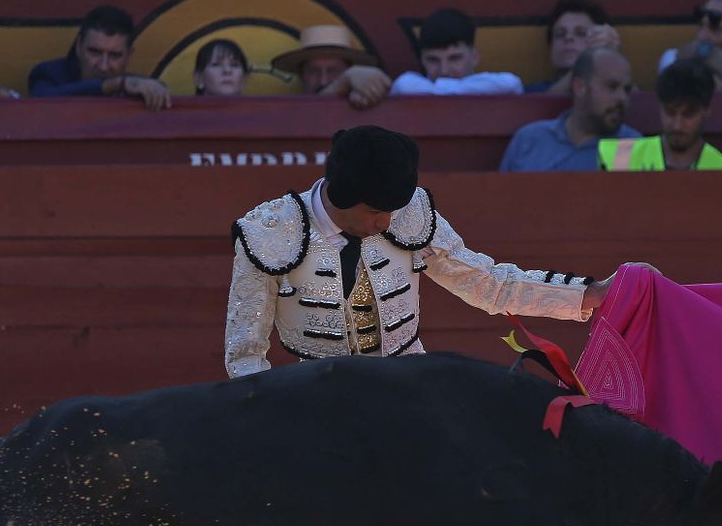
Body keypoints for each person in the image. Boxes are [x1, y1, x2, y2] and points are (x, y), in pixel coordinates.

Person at [224, 125, 626, 378]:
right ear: (343, 198)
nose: (386, 223)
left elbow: (489, 285)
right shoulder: (267, 235)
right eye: (376, 211)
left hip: (410, 387)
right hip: (314, 397)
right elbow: (245, 354)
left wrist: (588, 294)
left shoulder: (409, 214)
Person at [498, 47, 639, 172]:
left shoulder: (632, 146)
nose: (622, 98)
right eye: (611, 87)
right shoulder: (530, 140)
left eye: (626, 90)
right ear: (579, 87)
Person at [598, 59, 722, 171]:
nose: (677, 125)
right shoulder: (619, 158)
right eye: (670, 112)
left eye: (688, 115)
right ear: (659, 107)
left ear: (707, 110)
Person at [26, 5, 171, 111]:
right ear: (78, 47)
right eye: (95, 52)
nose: (103, 66)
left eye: (115, 55)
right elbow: (39, 104)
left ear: (129, 55)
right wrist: (111, 85)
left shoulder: (137, 87)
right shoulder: (49, 74)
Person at [390, 8, 521, 96]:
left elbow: (510, 84)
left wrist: (440, 89)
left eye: (454, 58)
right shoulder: (410, 84)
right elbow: (403, 85)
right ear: (422, 59)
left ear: (474, 57)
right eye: (433, 60)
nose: (444, 71)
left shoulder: (499, 84)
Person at [270, 24, 392, 110]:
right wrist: (343, 81)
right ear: (301, 77)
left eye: (333, 71)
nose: (323, 80)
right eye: (314, 71)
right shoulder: (285, 116)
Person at [526, 0, 622, 95]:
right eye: (560, 34)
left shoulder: (615, 91)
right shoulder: (531, 92)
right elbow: (543, 104)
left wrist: (612, 59)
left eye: (581, 33)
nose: (568, 38)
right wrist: (591, 64)